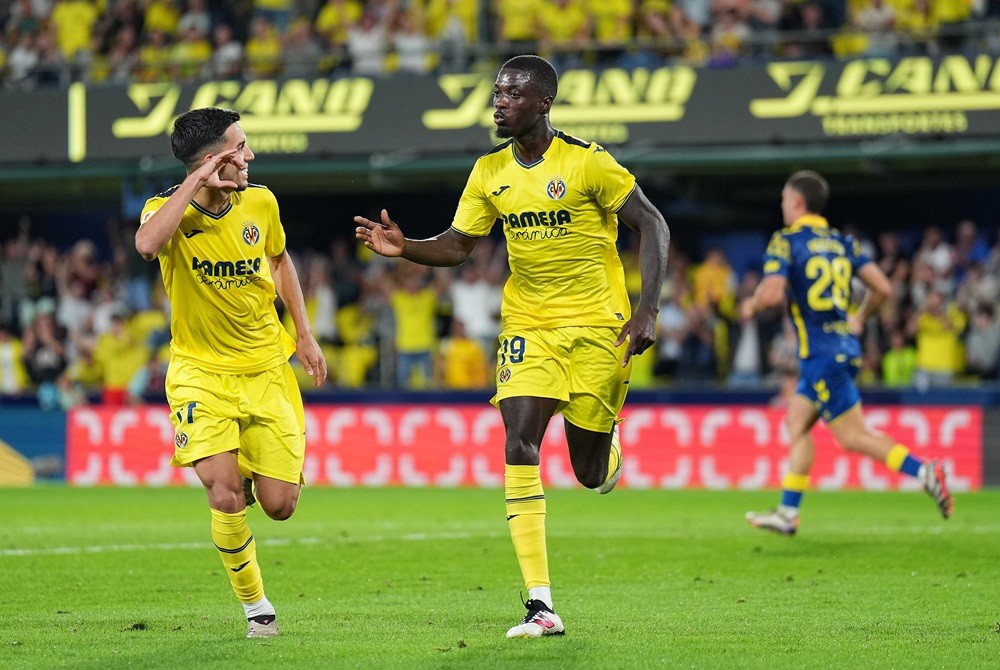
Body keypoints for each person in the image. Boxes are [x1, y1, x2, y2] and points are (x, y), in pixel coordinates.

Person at [355, 55, 669, 638]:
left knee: (588, 470)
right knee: (519, 442)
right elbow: (457, 246)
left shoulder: (587, 163)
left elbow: (653, 224)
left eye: (512, 94)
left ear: (543, 103)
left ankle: (607, 447)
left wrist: (648, 306)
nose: (498, 102)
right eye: (496, 92)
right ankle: (540, 605)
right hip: (527, 325)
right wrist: (407, 248)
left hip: (599, 326)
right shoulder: (488, 171)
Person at [134, 107, 327, 638]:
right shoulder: (165, 212)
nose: (251, 156)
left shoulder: (260, 202)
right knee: (224, 495)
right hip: (200, 374)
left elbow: (281, 260)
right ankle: (257, 609)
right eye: (240, 147)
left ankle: (242, 470)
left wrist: (304, 334)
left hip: (267, 369)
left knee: (280, 505)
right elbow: (147, 246)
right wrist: (196, 182)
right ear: (214, 158)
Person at [740, 170, 952, 536]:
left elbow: (772, 294)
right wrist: (858, 317)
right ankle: (788, 512)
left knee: (852, 437)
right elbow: (882, 287)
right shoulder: (843, 242)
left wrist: (752, 304)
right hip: (840, 348)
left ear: (797, 203)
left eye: (784, 202)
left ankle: (924, 471)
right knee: (797, 422)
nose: (783, 208)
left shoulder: (786, 241)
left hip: (821, 354)